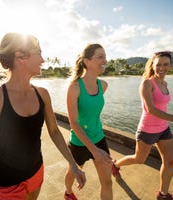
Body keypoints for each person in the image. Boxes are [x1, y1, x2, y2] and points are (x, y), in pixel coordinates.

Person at [0, 32, 86, 200]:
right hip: (8, 183)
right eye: (39, 53)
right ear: (20, 56)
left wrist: (73, 164)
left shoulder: (43, 94)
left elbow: (55, 131)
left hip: (36, 172)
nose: (43, 60)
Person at [112, 51, 173, 200]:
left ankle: (163, 194)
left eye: (165, 64)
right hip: (147, 130)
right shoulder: (147, 83)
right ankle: (115, 165)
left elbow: (162, 107)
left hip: (164, 129)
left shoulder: (165, 83)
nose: (162, 67)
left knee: (170, 161)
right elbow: (151, 110)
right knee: (139, 159)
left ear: (170, 66)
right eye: (158, 64)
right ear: (152, 66)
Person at [64, 44, 113, 200]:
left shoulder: (103, 85)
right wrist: (94, 151)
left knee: (107, 182)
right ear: (86, 61)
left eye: (105, 57)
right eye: (100, 57)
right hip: (79, 141)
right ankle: (68, 192)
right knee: (72, 174)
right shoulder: (74, 87)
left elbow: (93, 114)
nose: (105, 60)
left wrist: (98, 149)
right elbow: (74, 123)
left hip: (99, 138)